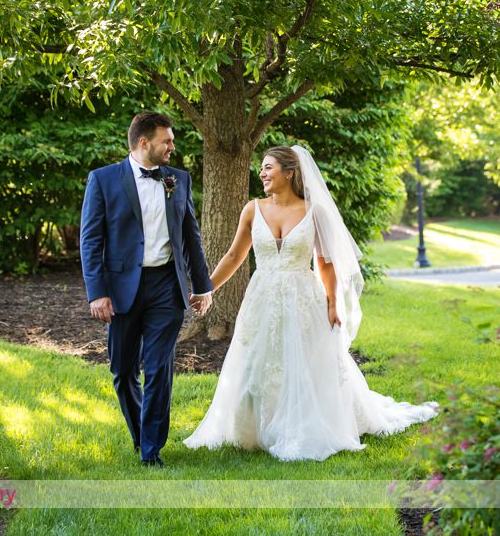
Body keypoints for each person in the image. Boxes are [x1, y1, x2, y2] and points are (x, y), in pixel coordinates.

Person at [183, 146, 438, 461]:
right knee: (258, 359)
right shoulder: (252, 209)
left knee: (305, 361)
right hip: (262, 296)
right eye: (261, 168)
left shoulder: (313, 212)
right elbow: (235, 255)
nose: (261, 173)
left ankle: (304, 423)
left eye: (268, 167)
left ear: (289, 172)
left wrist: (332, 303)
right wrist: (207, 289)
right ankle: (254, 427)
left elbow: (326, 263)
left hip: (302, 297)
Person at [80, 111, 213, 468]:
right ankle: (141, 435)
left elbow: (191, 238)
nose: (172, 146)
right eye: (166, 140)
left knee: (158, 368)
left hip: (166, 287)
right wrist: (97, 292)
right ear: (144, 142)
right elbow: (90, 240)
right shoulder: (103, 180)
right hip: (122, 289)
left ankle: (151, 449)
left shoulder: (178, 180)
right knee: (123, 372)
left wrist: (203, 287)